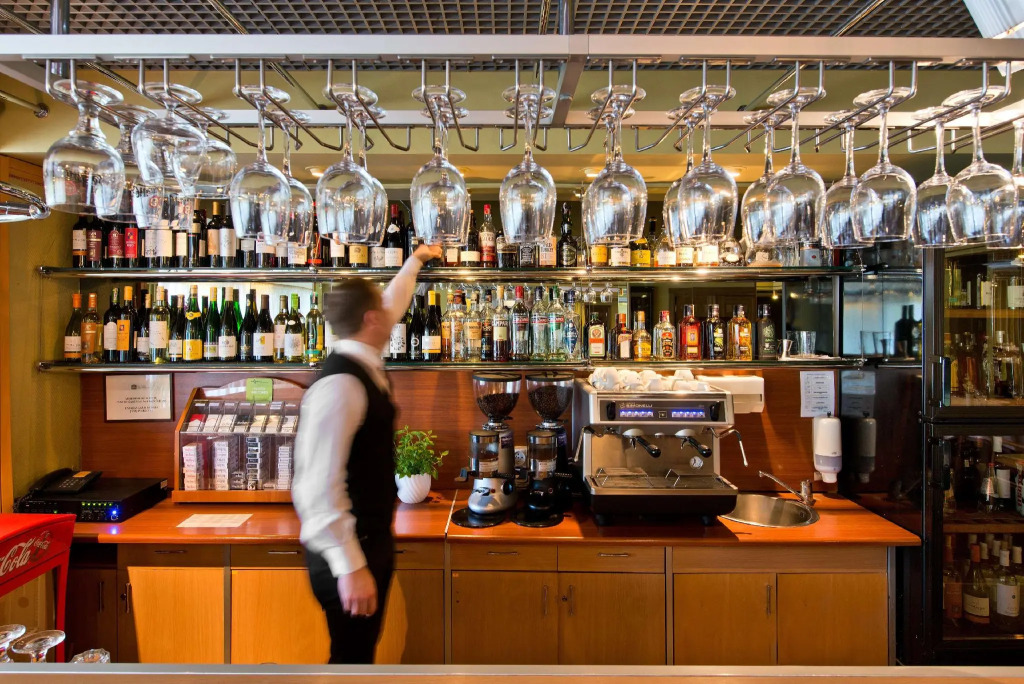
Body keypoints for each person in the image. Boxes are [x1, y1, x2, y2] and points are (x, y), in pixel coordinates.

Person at [293, 242, 441, 664]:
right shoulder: (340, 386)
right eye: (381, 310)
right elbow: (315, 488)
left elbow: (393, 301)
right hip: (347, 551)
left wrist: (416, 260)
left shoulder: (362, 359)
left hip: (366, 542)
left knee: (359, 658)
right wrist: (350, 566)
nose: (391, 317)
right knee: (350, 663)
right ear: (370, 319)